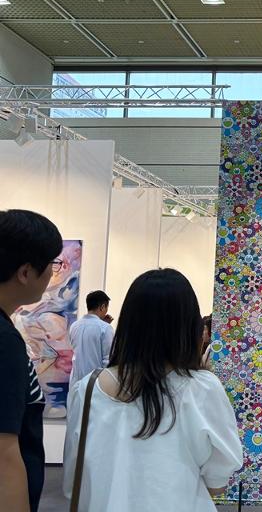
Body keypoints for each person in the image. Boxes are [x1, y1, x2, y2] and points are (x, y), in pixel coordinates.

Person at [62, 269, 243, 512]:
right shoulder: (201, 388)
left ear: (128, 323)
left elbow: (74, 479)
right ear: (189, 326)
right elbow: (218, 480)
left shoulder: (87, 390)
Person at [0, 210, 62, 512]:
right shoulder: (3, 341)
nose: (53, 272)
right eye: (52, 264)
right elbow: (4, 454)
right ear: (25, 272)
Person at [68, 290, 114, 388]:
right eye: (106, 308)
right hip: (94, 386)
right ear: (102, 307)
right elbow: (108, 360)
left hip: (75, 384)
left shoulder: (74, 326)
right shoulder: (105, 328)